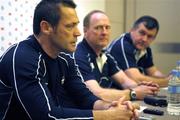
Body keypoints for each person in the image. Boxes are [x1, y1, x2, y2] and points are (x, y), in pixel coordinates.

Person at [0, 0, 139, 120]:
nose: (78, 33)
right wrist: (110, 116)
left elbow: (84, 97)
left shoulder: (65, 57)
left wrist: (110, 107)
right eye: (69, 26)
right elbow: (47, 116)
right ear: (46, 27)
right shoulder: (22, 57)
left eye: (77, 25)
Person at [74, 10, 159, 102]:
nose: (104, 32)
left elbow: (124, 81)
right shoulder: (79, 55)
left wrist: (143, 88)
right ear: (85, 31)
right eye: (98, 28)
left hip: (107, 106)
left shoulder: (106, 55)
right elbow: (96, 93)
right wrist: (133, 93)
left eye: (107, 27)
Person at [108, 15, 169, 87]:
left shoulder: (145, 48)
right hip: (114, 93)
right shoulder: (122, 45)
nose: (144, 39)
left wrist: (168, 77)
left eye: (149, 36)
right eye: (142, 33)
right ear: (132, 30)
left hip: (132, 91)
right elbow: (135, 79)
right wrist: (168, 82)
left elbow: (153, 72)